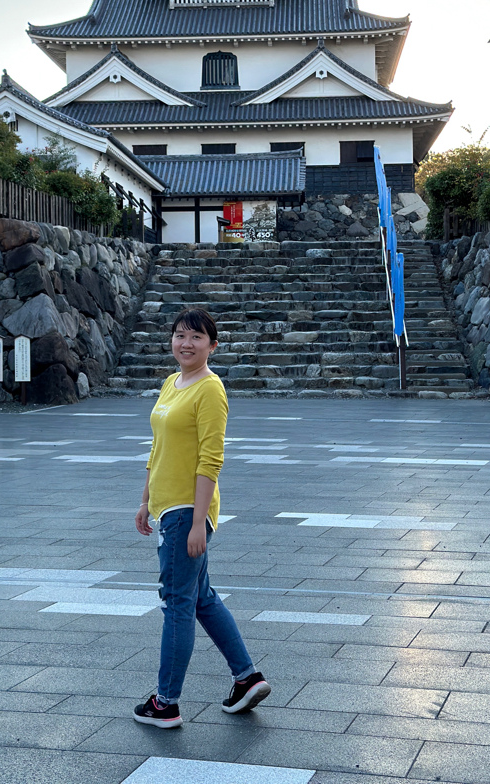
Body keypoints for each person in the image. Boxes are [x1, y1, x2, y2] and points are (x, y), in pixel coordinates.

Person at [133, 307, 271, 728]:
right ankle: (247, 678)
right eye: (179, 335)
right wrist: (144, 501)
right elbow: (158, 449)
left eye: (196, 337)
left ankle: (166, 703)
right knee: (201, 598)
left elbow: (211, 458)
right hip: (166, 505)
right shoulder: (171, 382)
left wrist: (197, 521)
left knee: (177, 603)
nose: (185, 343)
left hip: (186, 513)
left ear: (212, 345)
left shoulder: (210, 389)